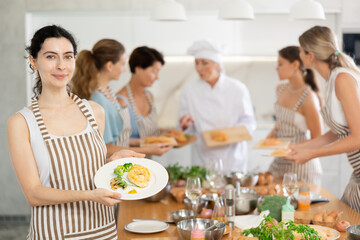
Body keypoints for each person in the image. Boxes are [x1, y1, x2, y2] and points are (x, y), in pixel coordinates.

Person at [7, 25, 144, 239]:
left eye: (68, 57)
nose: (61, 65)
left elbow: (90, 173)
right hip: (54, 233)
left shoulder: (94, 111)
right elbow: (34, 193)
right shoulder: (22, 122)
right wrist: (90, 195)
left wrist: (112, 162)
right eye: (51, 56)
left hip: (103, 230)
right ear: (33, 61)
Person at [285, 26, 360, 212]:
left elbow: (358, 137)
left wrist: (312, 154)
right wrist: (302, 147)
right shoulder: (333, 79)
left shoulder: (342, 79)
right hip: (358, 173)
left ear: (310, 55)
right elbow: (339, 131)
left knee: (348, 224)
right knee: (346, 222)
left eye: (301, 51)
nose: (299, 55)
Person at [72, 41, 170, 157]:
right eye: (122, 64)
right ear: (109, 66)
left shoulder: (108, 93)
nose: (124, 69)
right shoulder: (98, 101)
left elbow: (118, 139)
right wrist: (148, 150)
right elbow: (106, 149)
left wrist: (144, 143)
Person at [179, 39, 256, 172]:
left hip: (232, 157)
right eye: (196, 63)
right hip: (202, 156)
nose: (199, 68)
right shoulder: (189, 90)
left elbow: (249, 122)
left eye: (205, 63)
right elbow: (185, 128)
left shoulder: (237, 88)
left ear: (218, 65)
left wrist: (227, 135)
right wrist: (185, 125)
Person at [267, 46, 323, 185]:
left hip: (301, 165)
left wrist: (292, 149)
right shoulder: (280, 89)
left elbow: (318, 139)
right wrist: (274, 131)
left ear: (295, 65)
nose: (276, 68)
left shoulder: (309, 98)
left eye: (280, 64)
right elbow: (281, 119)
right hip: (280, 160)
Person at [116, 46, 172, 155]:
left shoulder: (149, 96)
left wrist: (167, 133)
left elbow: (149, 133)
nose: (157, 77)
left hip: (148, 161)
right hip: (129, 163)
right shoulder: (120, 101)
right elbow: (117, 142)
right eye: (154, 72)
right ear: (138, 69)